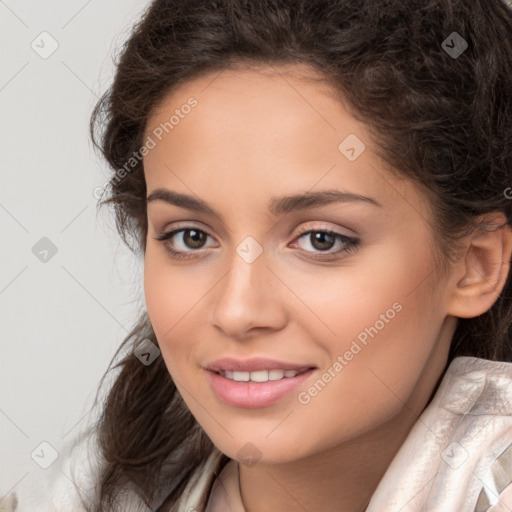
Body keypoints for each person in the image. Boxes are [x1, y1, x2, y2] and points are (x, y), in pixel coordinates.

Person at [2, 0, 512, 510]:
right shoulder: (76, 496)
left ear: (476, 265)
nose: (237, 311)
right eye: (191, 237)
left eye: (321, 239)